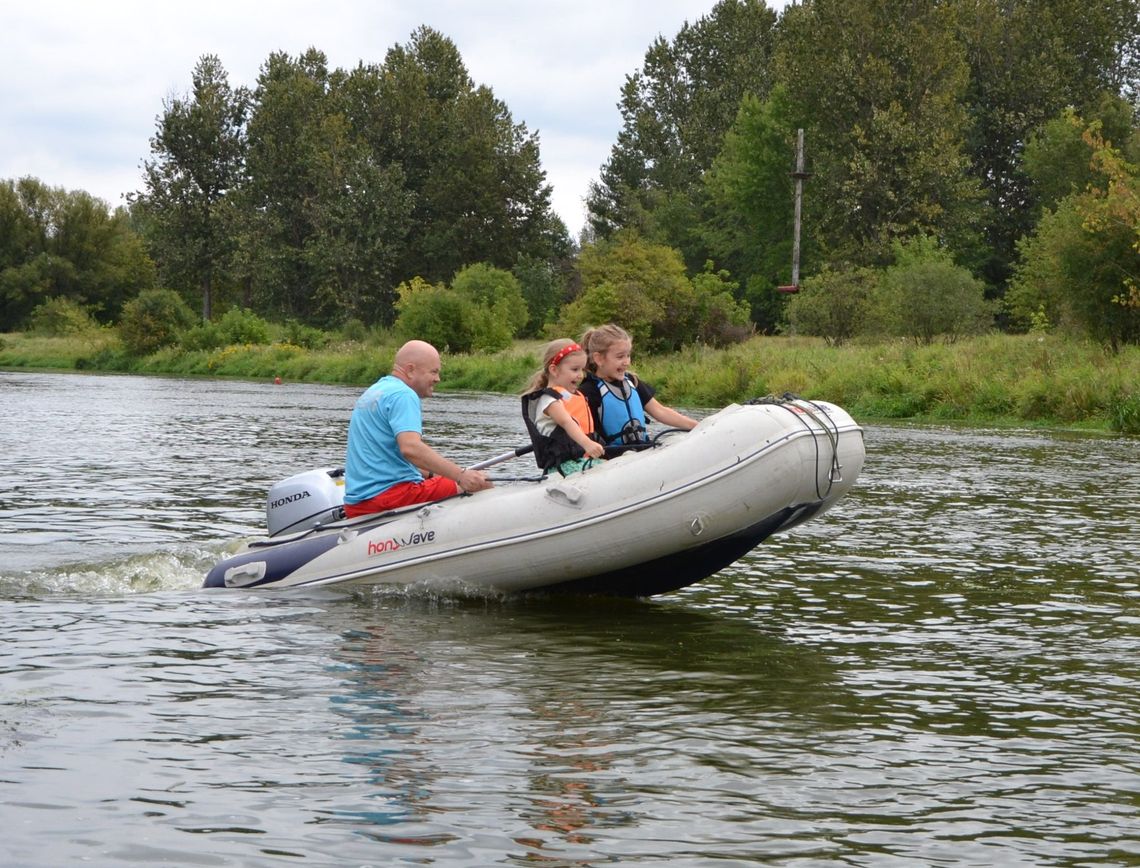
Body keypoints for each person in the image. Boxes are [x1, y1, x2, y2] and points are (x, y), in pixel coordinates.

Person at [343, 340, 492, 518]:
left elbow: (386, 456)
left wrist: (432, 473)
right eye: (434, 372)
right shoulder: (404, 395)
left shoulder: (375, 391)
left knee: (448, 479)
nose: (438, 379)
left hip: (358, 502)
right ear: (410, 369)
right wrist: (460, 475)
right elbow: (410, 448)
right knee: (484, 483)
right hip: (388, 497)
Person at [578, 323, 698, 446]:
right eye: (620, 357)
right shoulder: (588, 391)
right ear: (599, 359)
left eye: (628, 355)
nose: (626, 362)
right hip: (613, 457)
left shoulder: (632, 382)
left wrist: (697, 426)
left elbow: (660, 411)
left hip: (641, 450)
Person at [521, 339, 606, 476]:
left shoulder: (572, 396)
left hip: (579, 460)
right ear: (554, 370)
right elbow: (567, 422)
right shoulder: (549, 401)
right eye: (575, 369)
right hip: (561, 466)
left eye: (582, 370)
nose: (580, 375)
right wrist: (587, 444)